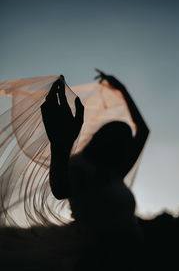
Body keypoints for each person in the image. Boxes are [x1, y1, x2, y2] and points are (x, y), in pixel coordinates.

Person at [41, 70, 150, 270]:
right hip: (100, 259)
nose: (123, 145)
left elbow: (143, 132)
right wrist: (59, 146)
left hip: (133, 256)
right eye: (118, 137)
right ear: (103, 138)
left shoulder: (115, 171)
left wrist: (121, 89)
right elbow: (60, 190)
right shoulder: (80, 167)